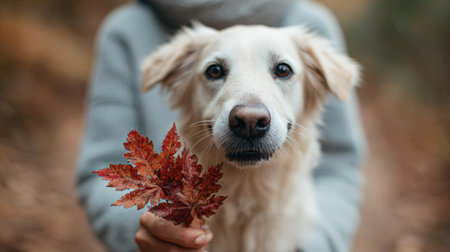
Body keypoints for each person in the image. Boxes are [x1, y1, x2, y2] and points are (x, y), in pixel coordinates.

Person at [76, 0, 366, 251]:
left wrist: (308, 247)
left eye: (282, 70)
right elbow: (103, 170)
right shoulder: (125, 30)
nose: (249, 115)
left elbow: (341, 165)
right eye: (216, 71)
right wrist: (154, 232)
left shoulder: (314, 22)